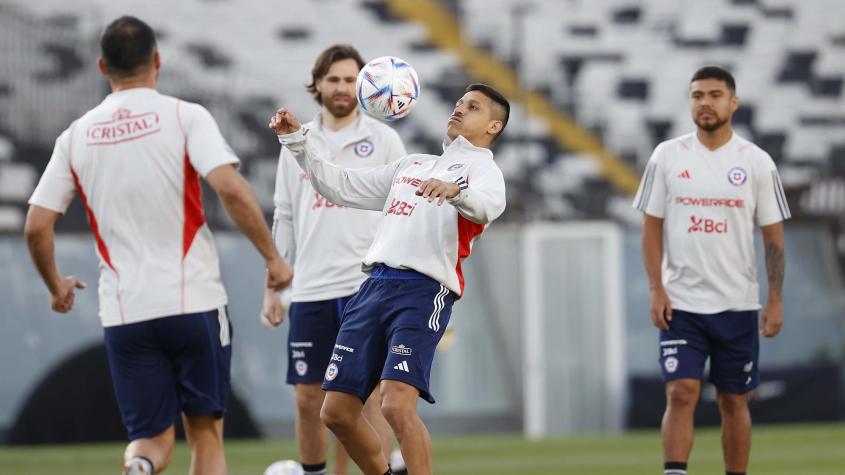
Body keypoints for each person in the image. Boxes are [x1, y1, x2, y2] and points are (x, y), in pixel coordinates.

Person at [23, 16, 292, 475]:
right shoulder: (184, 116)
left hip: (127, 312)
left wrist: (56, 286)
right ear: (158, 60)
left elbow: (35, 226)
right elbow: (229, 188)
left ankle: (141, 467)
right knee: (206, 433)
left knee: (150, 439)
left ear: (102, 65)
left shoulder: (76, 136)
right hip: (193, 301)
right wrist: (272, 257)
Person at [269, 83, 509, 475]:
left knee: (395, 405)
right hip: (372, 288)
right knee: (336, 413)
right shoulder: (412, 164)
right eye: (459, 102)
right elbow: (340, 185)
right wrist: (297, 141)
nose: (459, 109)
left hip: (423, 291)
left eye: (474, 106)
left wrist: (455, 192)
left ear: (494, 126)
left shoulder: (483, 170)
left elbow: (488, 207)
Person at [632, 66, 790, 475]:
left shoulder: (756, 162)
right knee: (681, 391)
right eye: (697, 94)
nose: (706, 102)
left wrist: (774, 299)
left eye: (715, 94)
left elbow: (773, 237)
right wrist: (656, 288)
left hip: (737, 303)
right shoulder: (667, 155)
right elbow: (651, 228)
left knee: (734, 400)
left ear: (733, 103)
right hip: (681, 302)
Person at [260, 44, 407, 475]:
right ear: (318, 83)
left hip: (368, 287)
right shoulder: (295, 140)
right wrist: (274, 285)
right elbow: (284, 214)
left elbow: (402, 210)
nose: (342, 87)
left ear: (363, 85)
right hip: (310, 287)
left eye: (350, 79)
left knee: (368, 400)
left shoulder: (383, 139)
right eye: (334, 79)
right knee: (308, 398)